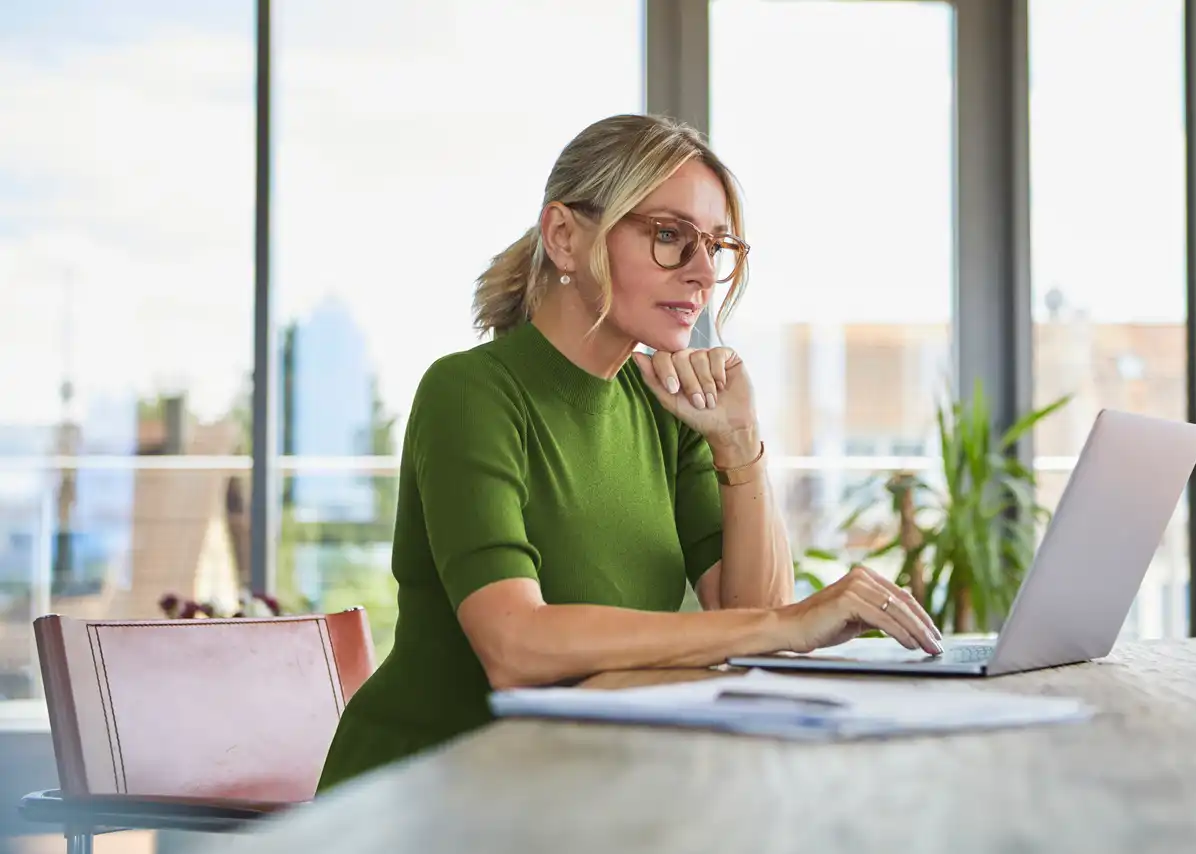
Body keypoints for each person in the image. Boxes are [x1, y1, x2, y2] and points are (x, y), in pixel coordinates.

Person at [315, 113, 943, 792]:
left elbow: (751, 616)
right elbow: (516, 646)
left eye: (717, 245)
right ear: (564, 236)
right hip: (428, 794)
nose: (704, 272)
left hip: (583, 784)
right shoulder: (471, 393)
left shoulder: (663, 406)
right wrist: (783, 625)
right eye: (670, 236)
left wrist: (739, 445)